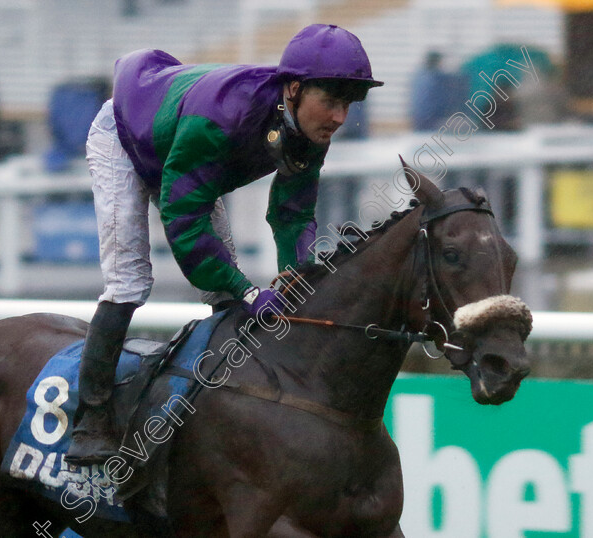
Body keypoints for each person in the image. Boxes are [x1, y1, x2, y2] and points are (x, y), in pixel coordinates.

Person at [65, 24, 383, 464]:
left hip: (181, 144)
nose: (339, 117)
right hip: (124, 135)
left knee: (221, 290)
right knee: (130, 281)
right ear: (293, 89)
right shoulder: (221, 118)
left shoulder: (309, 128)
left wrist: (299, 282)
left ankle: (228, 403)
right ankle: (91, 420)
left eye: (347, 104)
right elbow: (184, 219)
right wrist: (251, 291)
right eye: (330, 101)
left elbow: (292, 214)